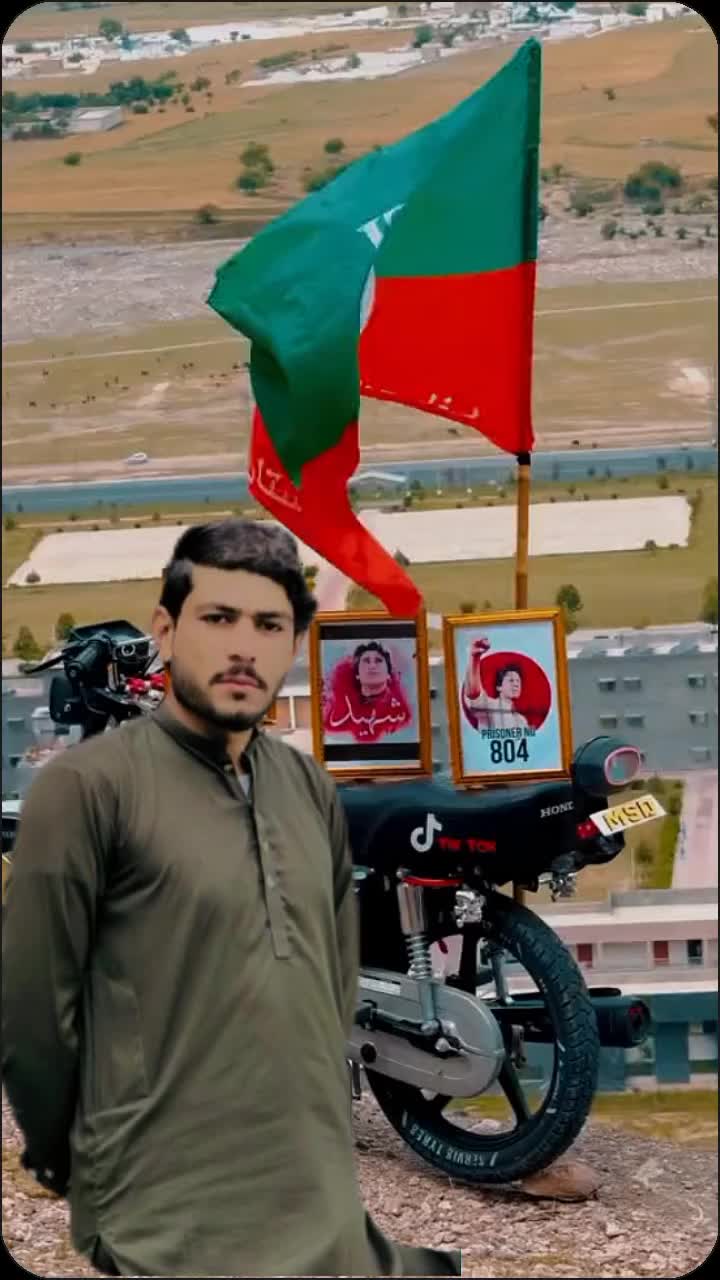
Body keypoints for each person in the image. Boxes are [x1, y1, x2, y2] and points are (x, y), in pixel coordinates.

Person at [2, 519, 460, 1280]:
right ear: (166, 630)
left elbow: (330, 982)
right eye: (219, 618)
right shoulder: (86, 791)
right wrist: (69, 1162)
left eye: (269, 626)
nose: (244, 648)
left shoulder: (305, 786)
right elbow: (30, 1010)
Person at [323, 641, 413, 743]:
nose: (372, 666)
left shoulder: (399, 714)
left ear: (388, 674)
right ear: (357, 674)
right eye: (366, 661)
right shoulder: (341, 711)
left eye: (378, 661)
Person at [462, 636, 528, 730]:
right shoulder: (490, 706)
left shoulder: (522, 720)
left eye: (518, 681)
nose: (516, 684)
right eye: (511, 680)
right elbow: (473, 694)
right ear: (499, 687)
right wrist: (475, 658)